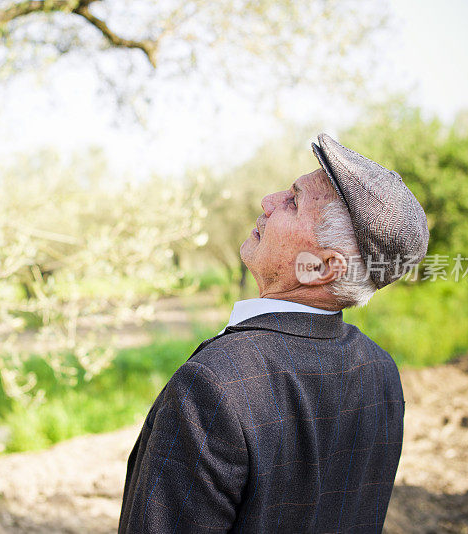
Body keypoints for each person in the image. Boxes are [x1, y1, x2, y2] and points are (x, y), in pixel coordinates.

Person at [118, 133, 429, 533]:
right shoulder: (381, 370)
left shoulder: (213, 384)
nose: (268, 201)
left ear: (320, 268)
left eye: (293, 202)